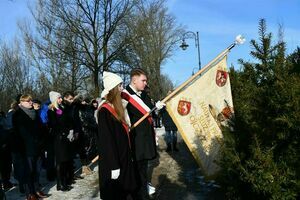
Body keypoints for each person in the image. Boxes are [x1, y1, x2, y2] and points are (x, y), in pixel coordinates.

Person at [122, 68, 165, 200]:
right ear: (134, 80)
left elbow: (150, 113)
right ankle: (139, 195)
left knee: (143, 169)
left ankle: (142, 191)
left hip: (145, 139)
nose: (145, 83)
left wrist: (157, 109)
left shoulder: (144, 94)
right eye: (143, 80)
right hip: (135, 140)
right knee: (136, 170)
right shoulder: (124, 95)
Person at [97, 71, 137, 200]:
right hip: (113, 161)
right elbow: (107, 141)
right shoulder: (104, 111)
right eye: (119, 86)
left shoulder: (118, 107)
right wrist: (114, 166)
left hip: (123, 158)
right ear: (113, 88)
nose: (122, 88)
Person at [12, 94, 49, 200]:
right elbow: (21, 133)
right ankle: (30, 193)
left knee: (37, 170)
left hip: (38, 147)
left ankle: (37, 190)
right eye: (28, 101)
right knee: (29, 171)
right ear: (21, 103)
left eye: (31, 101)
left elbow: (41, 129)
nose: (31, 102)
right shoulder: (17, 114)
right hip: (26, 148)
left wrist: (41, 140)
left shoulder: (35, 113)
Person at [47, 91, 73, 191]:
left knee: (65, 160)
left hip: (65, 138)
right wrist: (62, 133)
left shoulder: (62, 108)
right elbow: (54, 125)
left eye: (60, 97)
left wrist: (70, 130)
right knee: (60, 161)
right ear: (54, 99)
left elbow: (68, 121)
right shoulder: (51, 110)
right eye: (59, 98)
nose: (61, 99)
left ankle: (64, 181)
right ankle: (60, 183)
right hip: (58, 138)